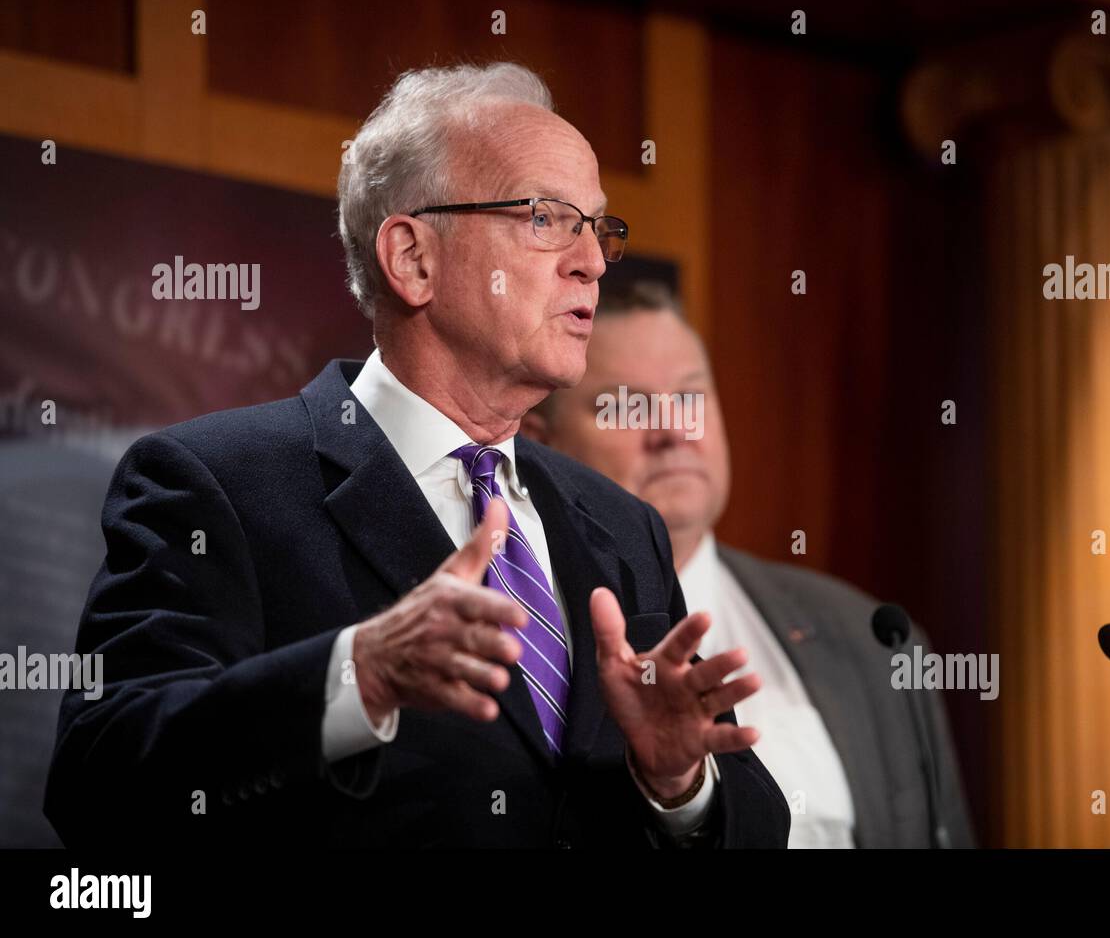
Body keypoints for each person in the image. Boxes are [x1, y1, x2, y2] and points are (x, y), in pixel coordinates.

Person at [44, 64, 789, 848]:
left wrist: (677, 785)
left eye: (597, 228)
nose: (593, 263)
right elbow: (101, 778)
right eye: (545, 218)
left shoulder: (620, 523)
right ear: (413, 258)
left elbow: (754, 825)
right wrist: (356, 675)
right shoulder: (216, 483)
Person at [523, 281, 974, 847]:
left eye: (690, 398)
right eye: (626, 406)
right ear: (542, 444)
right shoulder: (529, 647)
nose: (672, 433)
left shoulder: (871, 636)